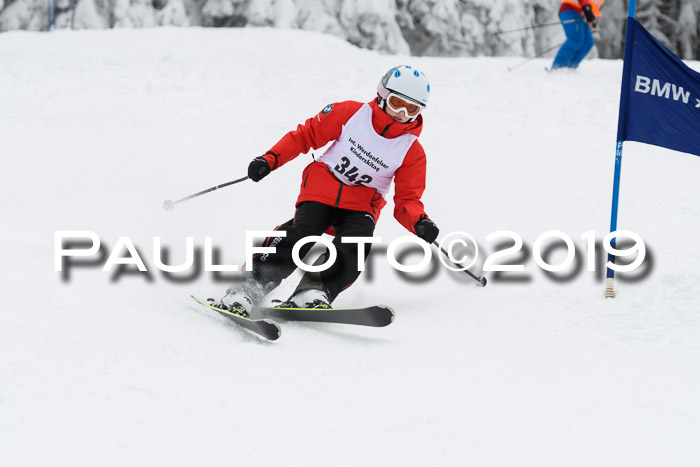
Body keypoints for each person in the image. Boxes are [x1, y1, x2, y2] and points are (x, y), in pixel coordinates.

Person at [216, 65, 440, 316]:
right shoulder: (351, 114)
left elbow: (407, 200)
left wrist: (419, 221)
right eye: (397, 102)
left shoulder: (411, 151)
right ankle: (250, 286)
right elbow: (305, 136)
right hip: (322, 187)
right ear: (382, 95)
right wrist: (270, 159)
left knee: (357, 241)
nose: (401, 113)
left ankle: (313, 290)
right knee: (303, 230)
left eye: (412, 109)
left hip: (362, 205)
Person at [550, 0, 604, 70]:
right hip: (570, 9)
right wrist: (587, 8)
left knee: (588, 42)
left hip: (583, 14)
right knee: (575, 39)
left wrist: (594, 26)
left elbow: (593, 9)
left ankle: (570, 67)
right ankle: (558, 66)